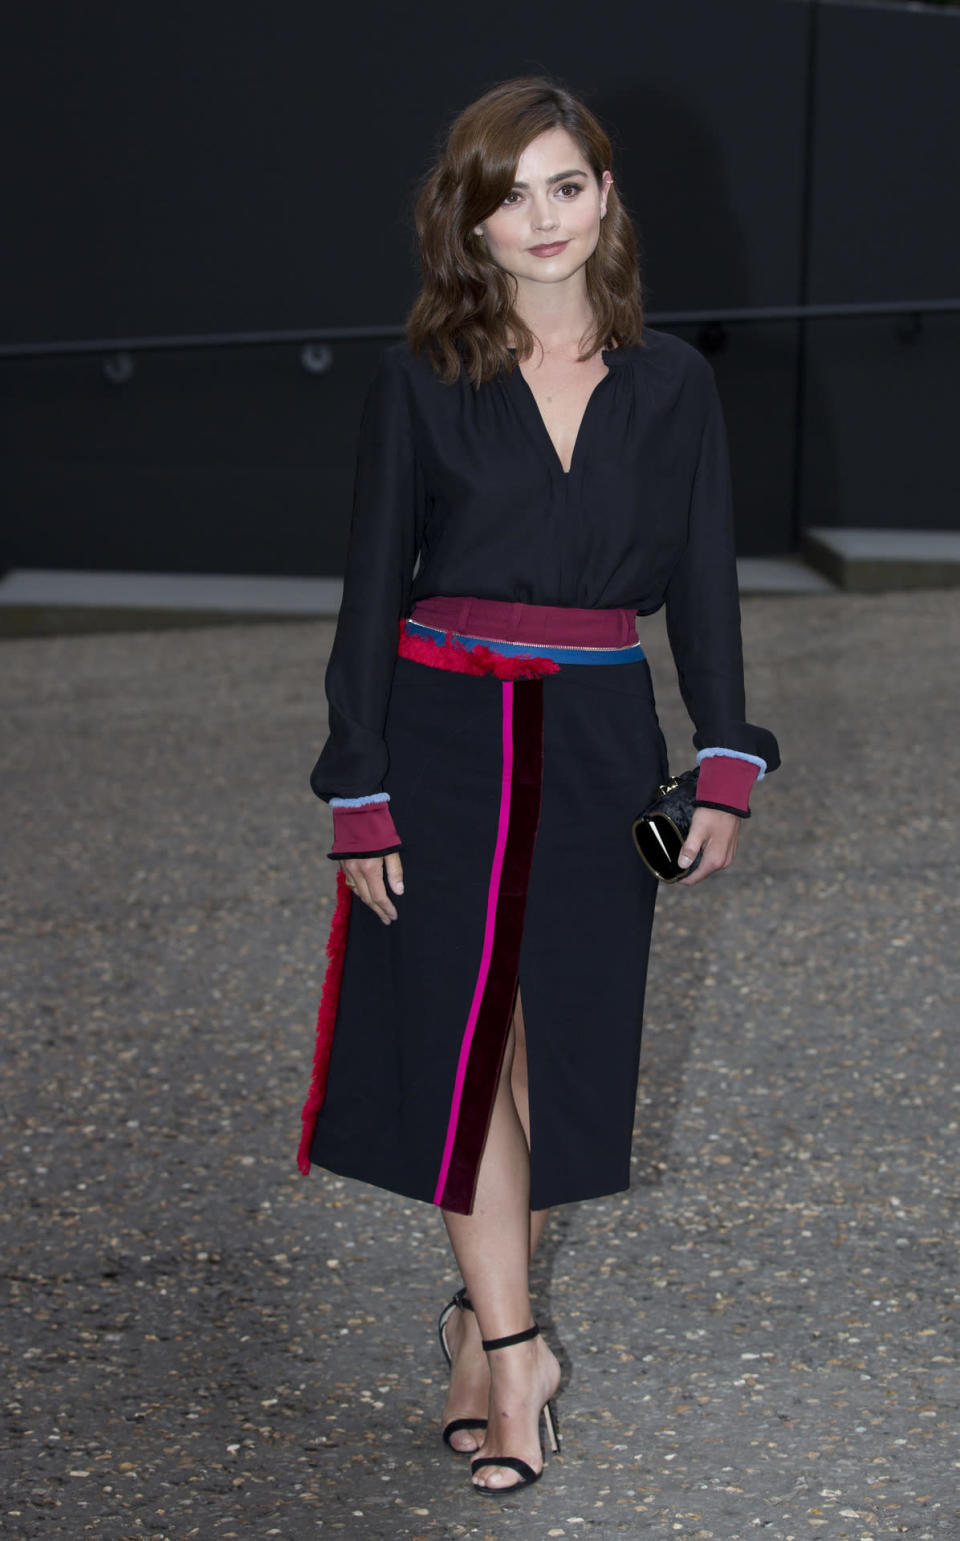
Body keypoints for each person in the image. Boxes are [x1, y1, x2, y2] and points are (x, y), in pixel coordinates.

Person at [298, 76, 779, 1494]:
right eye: (511, 194)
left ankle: (468, 1319)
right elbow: (369, 586)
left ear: (607, 197)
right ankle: (517, 1355)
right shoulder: (422, 376)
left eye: (566, 184)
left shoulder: (676, 382)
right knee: (458, 1050)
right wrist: (357, 784)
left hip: (598, 742)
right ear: (472, 220)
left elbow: (703, 583)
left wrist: (728, 760)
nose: (543, 216)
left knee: (547, 1050)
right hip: (443, 741)